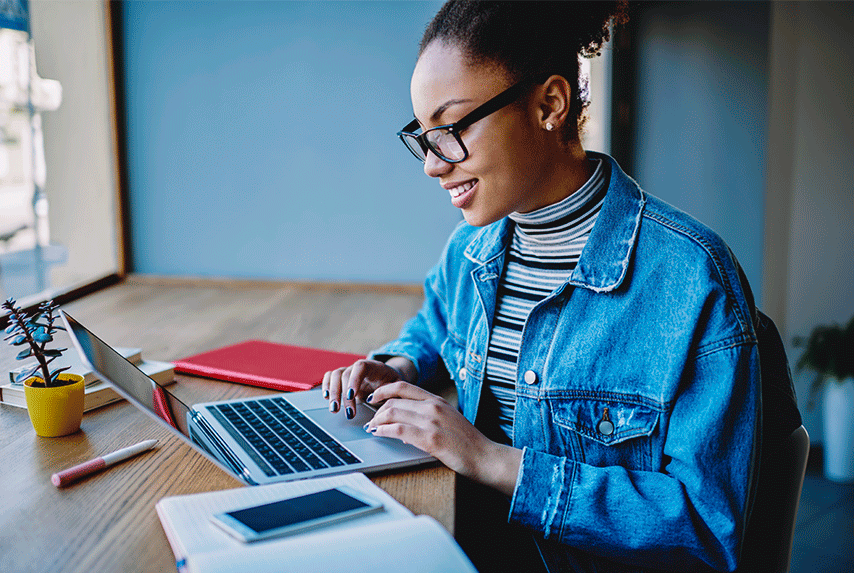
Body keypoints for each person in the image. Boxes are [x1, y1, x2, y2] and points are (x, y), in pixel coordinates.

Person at [322, 2, 788, 571]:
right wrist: (400, 366)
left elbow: (708, 526)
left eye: (451, 129)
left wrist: (489, 459)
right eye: (423, 136)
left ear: (549, 104)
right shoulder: (469, 251)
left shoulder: (693, 279)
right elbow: (436, 324)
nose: (432, 164)